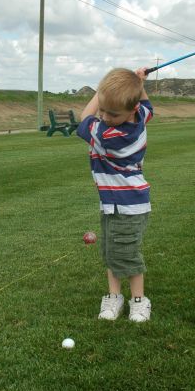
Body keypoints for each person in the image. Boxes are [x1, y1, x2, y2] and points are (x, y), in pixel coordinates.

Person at [76, 67, 153, 322]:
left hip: (128, 205)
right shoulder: (140, 116)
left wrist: (102, 91)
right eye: (104, 111)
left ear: (130, 110)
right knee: (111, 251)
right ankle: (113, 296)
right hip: (112, 204)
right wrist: (138, 82)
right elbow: (145, 103)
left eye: (113, 113)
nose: (106, 117)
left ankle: (139, 301)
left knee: (128, 253)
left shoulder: (110, 136)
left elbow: (83, 118)